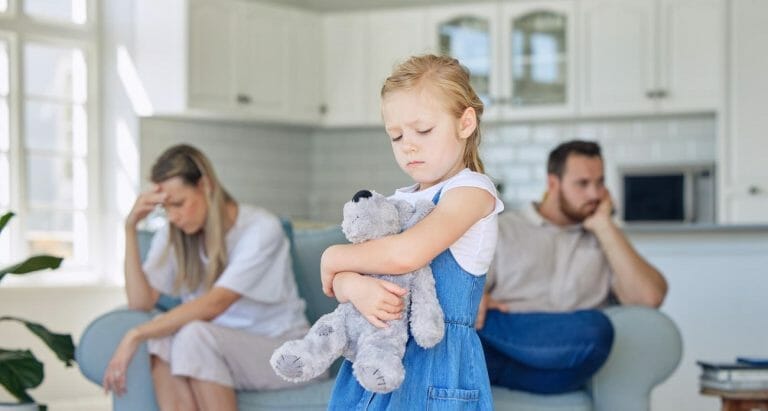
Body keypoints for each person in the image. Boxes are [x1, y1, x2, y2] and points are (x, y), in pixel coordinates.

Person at [319, 54, 504, 410]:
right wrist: (354, 286)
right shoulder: (395, 202)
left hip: (438, 368)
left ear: (465, 123)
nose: (409, 145)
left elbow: (407, 253)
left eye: (423, 130)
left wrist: (333, 256)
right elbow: (341, 283)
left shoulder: (472, 192)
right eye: (396, 135)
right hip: (376, 360)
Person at [101, 144, 311, 411]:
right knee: (162, 337)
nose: (174, 216)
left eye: (178, 203)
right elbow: (140, 303)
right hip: (213, 350)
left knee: (192, 334)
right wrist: (130, 228)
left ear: (205, 185)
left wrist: (135, 334)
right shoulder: (174, 233)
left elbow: (216, 303)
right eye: (166, 208)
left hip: (283, 349)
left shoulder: (260, 229)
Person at [476, 140, 669, 394]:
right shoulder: (505, 228)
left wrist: (604, 225)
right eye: (583, 184)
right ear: (553, 184)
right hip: (513, 338)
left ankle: (496, 366)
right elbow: (472, 301)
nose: (594, 194)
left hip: (570, 353)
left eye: (600, 183)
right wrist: (479, 297)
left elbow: (649, 298)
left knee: (596, 332)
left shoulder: (606, 237)